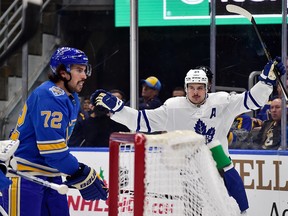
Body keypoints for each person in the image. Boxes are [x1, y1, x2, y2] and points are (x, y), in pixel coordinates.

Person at [90, 56, 286, 214]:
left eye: (200, 87)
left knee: (240, 209)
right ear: (185, 89)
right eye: (191, 87)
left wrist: (266, 81)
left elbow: (252, 100)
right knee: (195, 211)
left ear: (207, 88)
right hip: (189, 172)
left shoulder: (222, 102)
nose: (195, 92)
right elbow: (140, 121)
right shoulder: (173, 108)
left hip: (222, 167)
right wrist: (117, 108)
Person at [3, 47, 108, 216]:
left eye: (85, 70)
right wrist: (79, 171)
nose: (85, 75)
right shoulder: (49, 95)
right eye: (79, 70)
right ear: (62, 72)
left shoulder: (71, 97)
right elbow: (52, 151)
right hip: (25, 175)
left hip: (49, 174)